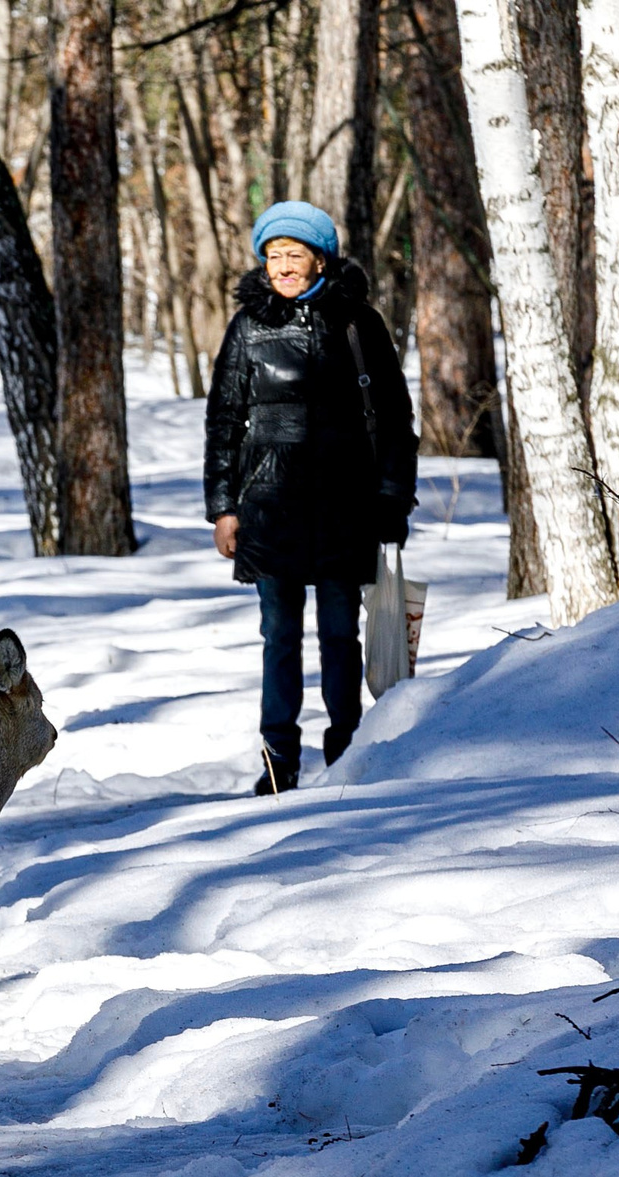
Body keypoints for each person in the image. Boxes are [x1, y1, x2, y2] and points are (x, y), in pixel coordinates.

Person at [203, 201, 416, 794]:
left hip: (345, 509)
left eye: (295, 255)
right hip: (268, 511)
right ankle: (279, 759)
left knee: (341, 635)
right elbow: (223, 421)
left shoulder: (358, 324)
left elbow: (396, 418)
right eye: (274, 256)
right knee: (280, 637)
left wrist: (393, 498)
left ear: (320, 259)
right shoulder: (248, 327)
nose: (284, 267)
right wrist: (223, 508)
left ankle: (348, 750)